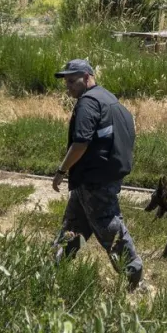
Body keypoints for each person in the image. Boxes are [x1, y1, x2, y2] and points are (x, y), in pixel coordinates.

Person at [51, 59, 144, 290]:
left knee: (108, 225)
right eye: (66, 82)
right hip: (102, 176)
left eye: (72, 81)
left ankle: (133, 273)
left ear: (87, 77)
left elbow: (81, 142)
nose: (68, 87)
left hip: (95, 179)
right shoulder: (110, 99)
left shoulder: (88, 103)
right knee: (74, 226)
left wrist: (62, 170)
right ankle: (53, 269)